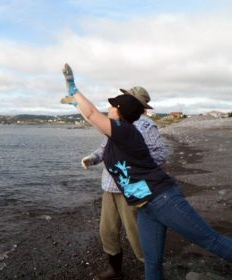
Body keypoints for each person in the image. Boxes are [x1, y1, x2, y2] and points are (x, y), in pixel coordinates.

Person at [60, 63, 232, 280]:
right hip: (144, 206)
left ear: (120, 112)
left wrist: (74, 88)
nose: (109, 108)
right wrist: (75, 101)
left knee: (211, 241)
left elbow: (93, 114)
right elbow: (91, 118)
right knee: (152, 262)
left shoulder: (126, 132)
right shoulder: (116, 134)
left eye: (113, 106)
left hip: (163, 199)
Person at [79, 87, 167, 280]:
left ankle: (151, 270)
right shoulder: (115, 123)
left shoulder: (146, 125)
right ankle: (115, 270)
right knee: (107, 230)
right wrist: (92, 159)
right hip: (109, 186)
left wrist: (134, 161)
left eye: (126, 96)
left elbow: (160, 154)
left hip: (132, 187)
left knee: (136, 232)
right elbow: (105, 148)